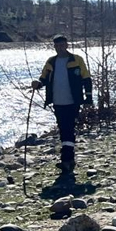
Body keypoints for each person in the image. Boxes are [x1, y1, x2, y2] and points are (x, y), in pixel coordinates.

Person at [30, 35, 93, 176]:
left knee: (68, 128)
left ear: (66, 45)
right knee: (63, 128)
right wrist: (38, 84)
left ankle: (66, 159)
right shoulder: (51, 62)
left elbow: (87, 79)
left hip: (73, 101)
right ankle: (68, 158)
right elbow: (43, 79)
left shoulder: (77, 60)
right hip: (57, 102)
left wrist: (88, 98)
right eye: (57, 46)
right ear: (54, 47)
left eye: (62, 45)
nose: (60, 48)